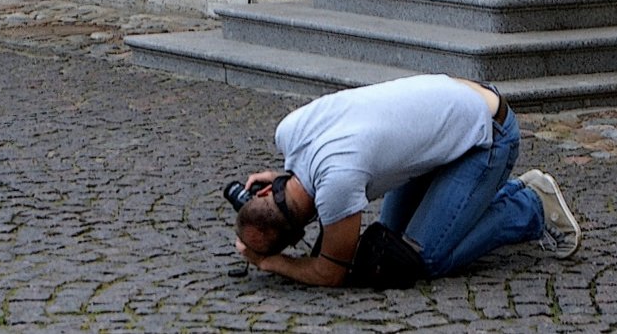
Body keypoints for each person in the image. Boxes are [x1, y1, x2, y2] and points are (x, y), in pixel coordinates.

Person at [233, 74, 580, 288]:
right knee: (393, 240)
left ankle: (530, 204)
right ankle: (470, 199)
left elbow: (331, 272)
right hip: (458, 100)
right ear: (264, 188)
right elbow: (324, 164)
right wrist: (285, 175)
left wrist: (271, 262)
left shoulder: (336, 188)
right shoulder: (290, 131)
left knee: (418, 259)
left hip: (489, 132)